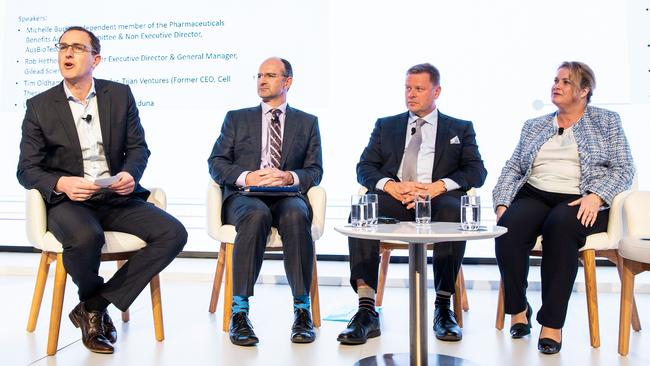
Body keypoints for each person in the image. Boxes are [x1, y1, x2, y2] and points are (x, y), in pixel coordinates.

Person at [16, 26, 188, 354]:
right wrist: (61, 183)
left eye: (77, 48)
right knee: (85, 237)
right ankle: (94, 311)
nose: (67, 53)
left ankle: (94, 305)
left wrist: (128, 173)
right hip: (70, 201)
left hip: (116, 196)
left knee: (174, 233)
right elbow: (27, 170)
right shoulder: (39, 106)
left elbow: (139, 149)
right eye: (63, 47)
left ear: (96, 59)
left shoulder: (119, 95)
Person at [337, 63, 487, 344]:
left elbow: (477, 171)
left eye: (419, 89)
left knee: (454, 210)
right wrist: (392, 187)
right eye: (408, 88)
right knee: (363, 211)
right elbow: (365, 167)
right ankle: (366, 309)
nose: (411, 94)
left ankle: (443, 307)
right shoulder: (386, 125)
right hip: (397, 198)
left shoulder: (460, 128)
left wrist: (438, 186)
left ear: (436, 91)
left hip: (437, 198)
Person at [493, 61, 634, 354]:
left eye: (566, 82)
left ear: (584, 91)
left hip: (581, 197)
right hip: (535, 192)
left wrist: (597, 195)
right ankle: (519, 310)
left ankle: (552, 325)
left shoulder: (606, 121)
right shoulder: (535, 125)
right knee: (508, 229)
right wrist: (503, 201)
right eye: (556, 80)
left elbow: (624, 168)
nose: (556, 86)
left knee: (559, 228)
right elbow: (513, 167)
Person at [208, 57, 323, 346]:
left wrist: (289, 177)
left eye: (270, 75)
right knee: (256, 215)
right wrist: (248, 177)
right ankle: (240, 312)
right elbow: (216, 163)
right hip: (245, 198)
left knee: (297, 215)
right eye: (259, 75)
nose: (262, 80)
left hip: (286, 196)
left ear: (287, 82)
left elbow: (314, 170)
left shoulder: (307, 122)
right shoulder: (237, 118)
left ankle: (301, 310)